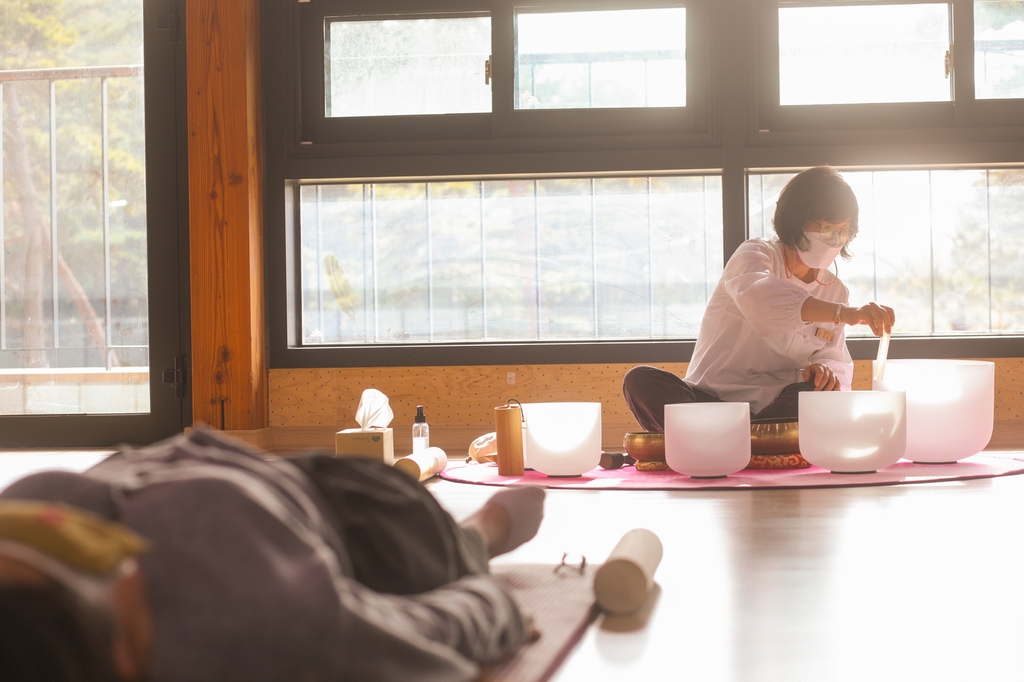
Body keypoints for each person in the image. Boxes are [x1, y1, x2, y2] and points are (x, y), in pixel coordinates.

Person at [0, 428, 546, 682]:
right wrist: (497, 605)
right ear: (124, 659)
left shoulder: (25, 526)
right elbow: (436, 630)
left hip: (202, 459)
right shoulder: (270, 625)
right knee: (437, 558)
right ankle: (479, 534)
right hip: (346, 510)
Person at [624, 166, 896, 431]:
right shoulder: (754, 254)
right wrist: (845, 314)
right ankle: (757, 441)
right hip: (709, 401)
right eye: (827, 228)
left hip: (776, 407)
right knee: (640, 380)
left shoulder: (835, 291)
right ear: (797, 219)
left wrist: (824, 371)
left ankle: (718, 441)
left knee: (818, 395)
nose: (836, 239)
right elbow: (763, 301)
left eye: (844, 231)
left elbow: (835, 361)